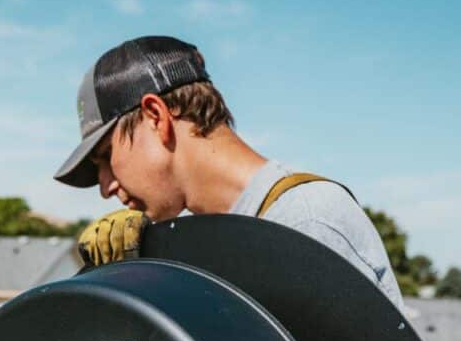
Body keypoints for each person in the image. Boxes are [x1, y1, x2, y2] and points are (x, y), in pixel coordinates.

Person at [54, 36, 403, 308]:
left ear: (156, 117)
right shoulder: (208, 246)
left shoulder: (303, 223)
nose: (105, 187)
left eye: (105, 156)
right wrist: (132, 278)